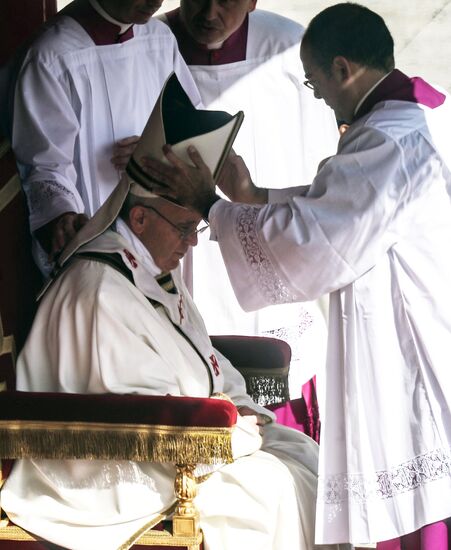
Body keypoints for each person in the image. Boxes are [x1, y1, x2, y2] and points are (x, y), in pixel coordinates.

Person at [140, 3, 451, 548]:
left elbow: (317, 243)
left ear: (342, 69)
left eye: (316, 86)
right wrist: (252, 196)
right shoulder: (387, 125)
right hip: (401, 326)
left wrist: (210, 207)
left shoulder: (385, 140)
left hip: (405, 342)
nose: (321, 99)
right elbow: (332, 206)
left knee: (417, 497)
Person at [0, 162, 347, 550]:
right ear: (140, 218)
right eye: (183, 229)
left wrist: (241, 409)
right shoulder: (98, 290)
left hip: (189, 437)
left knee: (304, 454)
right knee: (273, 489)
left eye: (195, 227)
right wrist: (222, 435)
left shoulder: (150, 268)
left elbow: (202, 354)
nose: (192, 243)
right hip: (111, 472)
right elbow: (127, 406)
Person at [159, 0, 339, 416]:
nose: (209, 14)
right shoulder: (150, 43)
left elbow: (320, 163)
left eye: (226, 1)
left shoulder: (290, 48)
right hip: (186, 251)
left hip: (268, 233)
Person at [8, 0, 200, 271]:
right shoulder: (51, 56)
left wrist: (158, 151)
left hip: (160, 237)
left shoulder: (159, 40)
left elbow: (191, 125)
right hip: (95, 238)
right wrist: (63, 217)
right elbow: (46, 167)